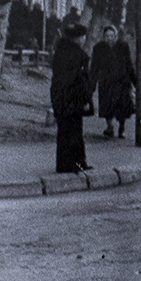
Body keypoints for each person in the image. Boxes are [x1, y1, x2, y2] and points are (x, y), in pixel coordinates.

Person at [50, 22, 94, 174]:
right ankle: (77, 162)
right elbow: (81, 80)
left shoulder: (59, 53)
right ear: (78, 38)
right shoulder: (78, 56)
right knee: (75, 130)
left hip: (60, 97)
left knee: (64, 131)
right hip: (74, 98)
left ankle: (64, 164)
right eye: (82, 37)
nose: (83, 40)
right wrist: (86, 98)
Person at [91, 25, 137, 139]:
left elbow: (129, 64)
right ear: (103, 37)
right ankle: (109, 126)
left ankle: (122, 128)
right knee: (107, 105)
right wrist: (92, 83)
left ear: (115, 36)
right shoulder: (98, 48)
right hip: (106, 81)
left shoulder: (123, 46)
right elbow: (94, 67)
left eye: (111, 36)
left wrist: (134, 81)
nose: (109, 38)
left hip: (121, 81)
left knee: (122, 106)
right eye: (106, 36)